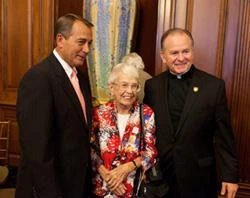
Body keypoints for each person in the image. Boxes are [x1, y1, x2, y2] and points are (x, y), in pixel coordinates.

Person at [144, 28, 239, 198]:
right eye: (174, 53)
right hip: (160, 179)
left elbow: (224, 136)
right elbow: (146, 132)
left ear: (192, 52)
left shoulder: (213, 87)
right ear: (163, 56)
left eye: (185, 51)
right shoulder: (152, 86)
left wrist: (230, 176)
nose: (181, 58)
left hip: (198, 178)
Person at [15, 13, 93, 198]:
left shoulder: (81, 78)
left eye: (89, 43)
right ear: (60, 39)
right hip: (49, 189)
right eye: (81, 42)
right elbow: (37, 149)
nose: (87, 49)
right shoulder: (38, 78)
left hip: (75, 185)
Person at [90, 63, 157, 197]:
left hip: (133, 190)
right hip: (103, 188)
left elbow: (151, 153)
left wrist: (128, 167)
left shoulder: (146, 113)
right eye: (124, 85)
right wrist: (108, 177)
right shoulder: (99, 114)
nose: (130, 91)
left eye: (134, 86)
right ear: (111, 87)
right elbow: (90, 149)